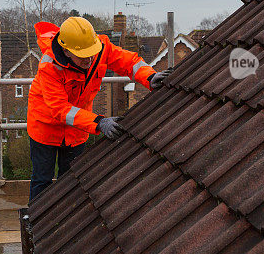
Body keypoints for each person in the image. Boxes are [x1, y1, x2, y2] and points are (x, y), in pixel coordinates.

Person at [27, 16, 172, 201]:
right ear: (66, 51)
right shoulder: (50, 66)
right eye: (83, 55)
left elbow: (128, 62)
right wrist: (98, 122)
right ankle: (35, 223)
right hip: (45, 127)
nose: (89, 58)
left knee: (71, 180)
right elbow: (60, 109)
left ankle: (65, 222)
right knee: (42, 181)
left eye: (91, 53)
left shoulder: (100, 47)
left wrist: (150, 76)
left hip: (78, 128)